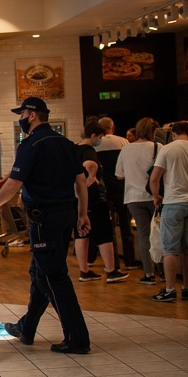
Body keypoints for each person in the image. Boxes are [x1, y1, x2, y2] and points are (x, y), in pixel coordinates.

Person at [0, 97, 92, 354]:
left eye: (22, 113)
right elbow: (81, 182)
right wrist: (82, 214)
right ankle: (26, 328)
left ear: (33, 114)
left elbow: (14, 184)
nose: (21, 118)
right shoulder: (67, 144)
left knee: (53, 277)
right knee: (40, 272)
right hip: (66, 214)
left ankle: (77, 337)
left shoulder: (31, 145)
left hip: (43, 219)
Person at [149, 121, 188, 302]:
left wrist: (156, 196)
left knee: (170, 249)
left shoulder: (167, 149)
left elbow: (154, 178)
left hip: (174, 202)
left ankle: (169, 289)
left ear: (173, 133)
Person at [75, 120, 128, 283]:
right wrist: (91, 175)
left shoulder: (74, 149)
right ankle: (111, 271)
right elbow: (90, 164)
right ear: (93, 136)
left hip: (77, 198)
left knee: (81, 233)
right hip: (93, 198)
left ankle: (84, 271)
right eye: (99, 137)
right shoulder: (88, 149)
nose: (100, 140)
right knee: (104, 233)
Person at [116, 117, 162, 284]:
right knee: (160, 232)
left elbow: (119, 175)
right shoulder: (158, 147)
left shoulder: (126, 149)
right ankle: (163, 270)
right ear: (153, 131)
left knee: (144, 235)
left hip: (133, 197)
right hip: (155, 196)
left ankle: (149, 274)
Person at [95, 117, 135, 270]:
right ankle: (130, 261)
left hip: (104, 189)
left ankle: (114, 264)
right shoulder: (123, 142)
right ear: (113, 127)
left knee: (109, 228)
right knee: (125, 225)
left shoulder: (97, 144)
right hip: (121, 188)